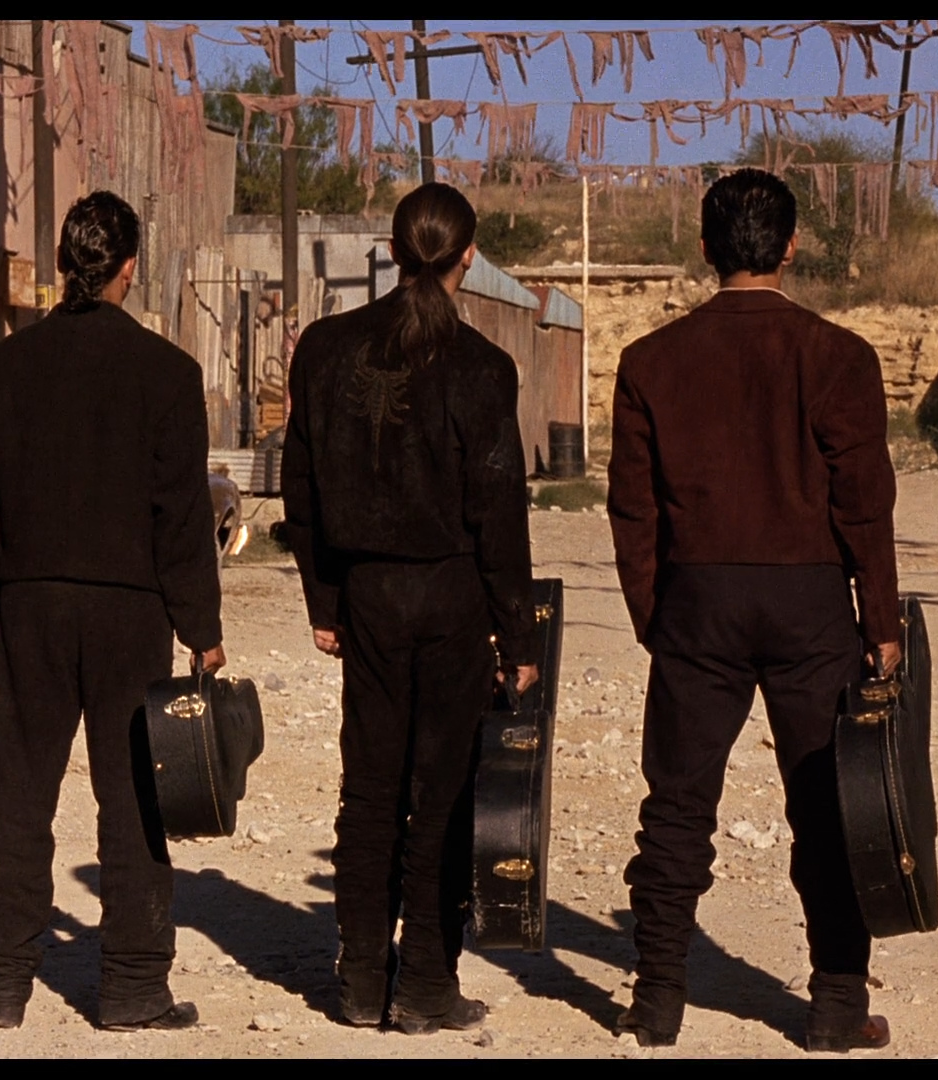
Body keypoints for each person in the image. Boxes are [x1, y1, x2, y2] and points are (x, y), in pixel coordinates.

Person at [606, 168, 902, 1052]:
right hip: (811, 604)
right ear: (792, 247)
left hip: (698, 600)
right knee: (827, 803)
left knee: (677, 805)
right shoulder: (839, 355)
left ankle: (657, 1000)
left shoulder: (650, 361)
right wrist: (881, 621)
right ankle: (837, 1008)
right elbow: (865, 506)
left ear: (705, 248)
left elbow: (633, 510)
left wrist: (657, 614)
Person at [0, 190, 225, 1031]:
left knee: (17, 793)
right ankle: (134, 988)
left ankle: (0, 987)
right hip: (130, 617)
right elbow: (181, 519)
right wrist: (201, 630)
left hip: (27, 610)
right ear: (129, 269)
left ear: (63, 265)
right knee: (134, 796)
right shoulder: (168, 374)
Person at [282, 182, 539, 1034]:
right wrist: (519, 634)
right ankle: (424, 981)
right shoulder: (482, 367)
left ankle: (360, 980)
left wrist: (325, 599)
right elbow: (499, 513)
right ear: (471, 256)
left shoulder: (325, 348)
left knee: (369, 788)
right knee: (443, 791)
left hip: (368, 596)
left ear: (392, 252)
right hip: (453, 597)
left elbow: (301, 488)